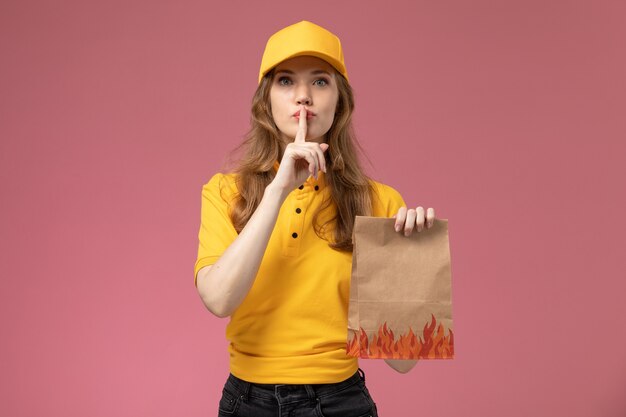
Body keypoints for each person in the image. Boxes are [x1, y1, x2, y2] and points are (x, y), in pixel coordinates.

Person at [194, 20, 436, 417]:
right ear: (265, 100)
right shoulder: (224, 192)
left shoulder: (381, 202)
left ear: (340, 101)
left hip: (341, 402)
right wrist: (278, 190)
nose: (303, 97)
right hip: (247, 403)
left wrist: (412, 264)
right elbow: (219, 299)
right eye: (286, 81)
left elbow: (403, 359)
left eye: (320, 82)